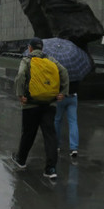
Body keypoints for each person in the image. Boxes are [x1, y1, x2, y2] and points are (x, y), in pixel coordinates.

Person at [11, 37, 69, 180]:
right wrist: (63, 92)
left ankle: (21, 160)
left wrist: (20, 95)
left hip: (31, 104)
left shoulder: (27, 60)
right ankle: (50, 168)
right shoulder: (51, 60)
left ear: (30, 48)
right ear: (41, 48)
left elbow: (20, 76)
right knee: (50, 135)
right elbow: (64, 72)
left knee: (28, 133)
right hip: (49, 103)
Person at [54, 79, 79, 158]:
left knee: (57, 120)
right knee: (73, 122)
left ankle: (56, 145)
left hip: (60, 97)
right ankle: (73, 147)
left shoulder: (59, 69)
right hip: (72, 97)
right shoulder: (76, 70)